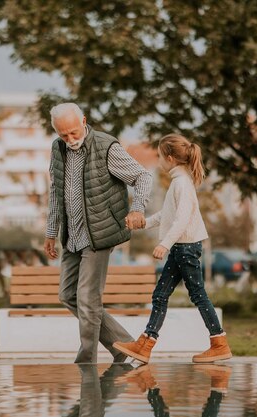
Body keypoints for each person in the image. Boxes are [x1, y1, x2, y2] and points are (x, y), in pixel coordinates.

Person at [44, 102, 153, 364]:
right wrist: (51, 232)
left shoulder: (106, 147)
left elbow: (143, 177)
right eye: (63, 135)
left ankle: (86, 360)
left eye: (73, 132)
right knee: (67, 295)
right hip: (72, 235)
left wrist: (137, 208)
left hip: (100, 233)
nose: (70, 139)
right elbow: (56, 193)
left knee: (87, 298)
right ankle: (125, 346)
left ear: (83, 121)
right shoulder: (57, 149)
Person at [113, 134, 232, 364]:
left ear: (169, 158)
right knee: (160, 295)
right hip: (181, 247)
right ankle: (144, 346)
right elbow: (168, 216)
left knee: (197, 295)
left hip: (184, 247)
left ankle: (219, 343)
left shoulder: (181, 183)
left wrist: (164, 244)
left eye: (159, 156)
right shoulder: (179, 181)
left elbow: (182, 220)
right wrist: (144, 223)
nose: (158, 161)